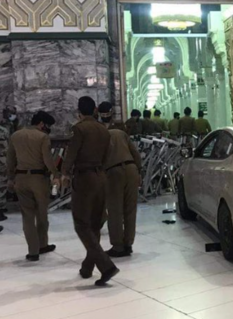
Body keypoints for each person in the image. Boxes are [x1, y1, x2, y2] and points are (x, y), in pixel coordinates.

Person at [61, 96, 119, 286]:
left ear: (78, 111)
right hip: (101, 176)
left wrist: (64, 173)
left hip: (84, 177)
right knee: (95, 223)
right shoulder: (104, 130)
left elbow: (72, 153)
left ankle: (106, 266)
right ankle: (87, 267)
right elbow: (108, 155)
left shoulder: (79, 128)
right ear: (95, 109)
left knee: (81, 223)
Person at [6, 111, 59, 261]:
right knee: (42, 214)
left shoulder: (16, 135)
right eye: (47, 125)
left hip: (20, 178)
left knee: (27, 216)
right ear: (41, 123)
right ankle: (43, 244)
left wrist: (11, 178)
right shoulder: (43, 137)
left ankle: (33, 251)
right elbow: (47, 160)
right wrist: (56, 174)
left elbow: (10, 159)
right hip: (38, 179)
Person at [98, 102, 142, 258]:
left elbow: (99, 158)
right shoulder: (121, 132)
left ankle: (117, 246)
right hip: (131, 169)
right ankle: (128, 244)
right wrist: (139, 172)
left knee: (115, 210)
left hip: (113, 172)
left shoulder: (100, 134)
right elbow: (135, 153)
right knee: (130, 209)